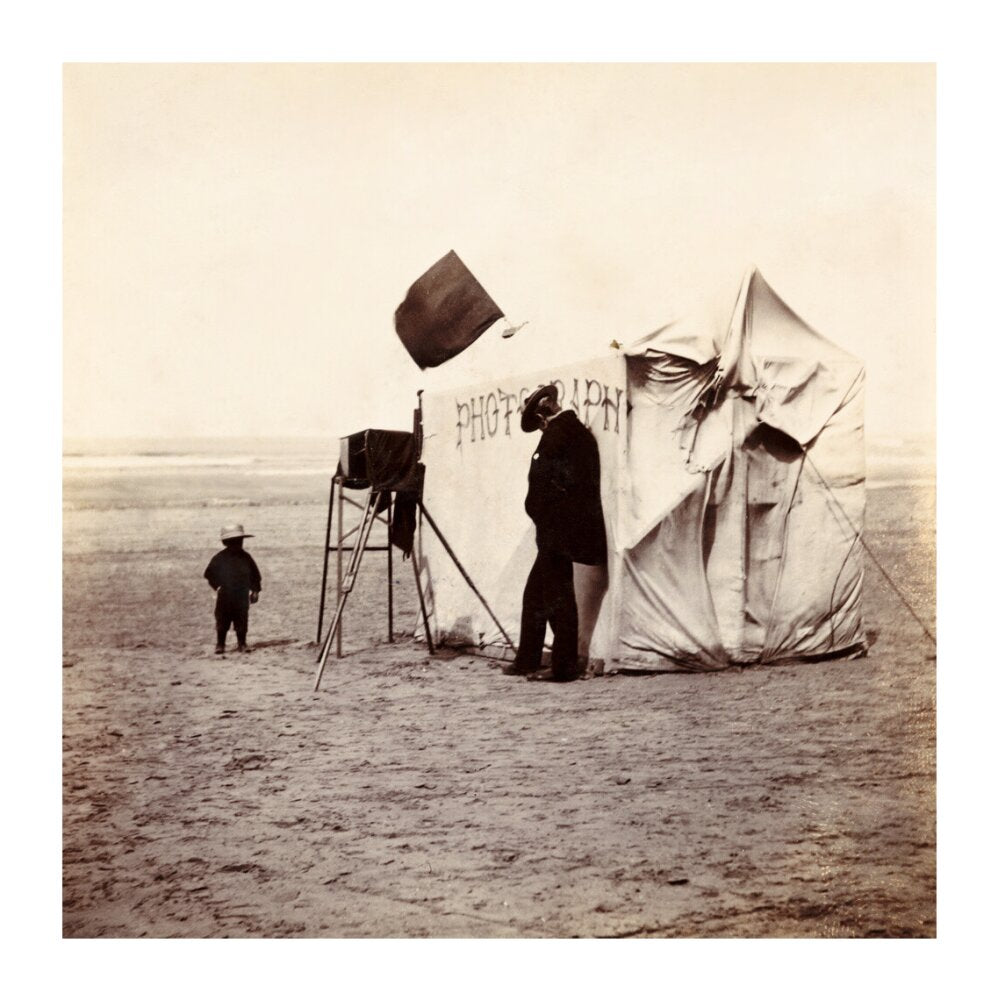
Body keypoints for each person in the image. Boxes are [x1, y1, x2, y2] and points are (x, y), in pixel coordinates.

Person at [504, 385, 607, 682]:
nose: (539, 426)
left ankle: (562, 667)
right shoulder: (573, 433)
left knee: (558, 598)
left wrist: (541, 514)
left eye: (538, 419)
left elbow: (552, 484)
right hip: (559, 530)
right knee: (536, 596)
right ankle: (528, 659)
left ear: (545, 409)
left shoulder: (560, 435)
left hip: (557, 532)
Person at [204, 524, 262, 654]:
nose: (238, 544)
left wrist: (255, 591)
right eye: (234, 541)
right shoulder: (220, 558)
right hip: (225, 595)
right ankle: (220, 644)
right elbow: (208, 573)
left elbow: (255, 575)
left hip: (241, 595)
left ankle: (242, 644)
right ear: (226, 542)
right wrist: (217, 586)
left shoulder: (246, 557)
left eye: (239, 541)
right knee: (222, 620)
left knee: (241, 619)